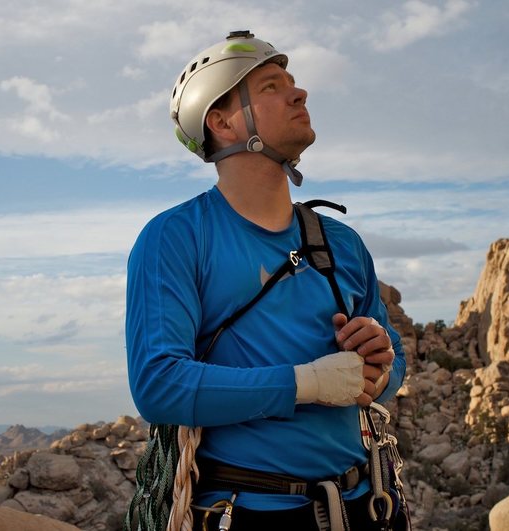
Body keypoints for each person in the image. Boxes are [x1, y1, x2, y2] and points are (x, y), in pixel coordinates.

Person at [125, 31, 407, 530]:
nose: (299, 94)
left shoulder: (341, 242)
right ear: (223, 122)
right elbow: (159, 384)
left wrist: (380, 370)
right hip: (248, 512)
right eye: (272, 86)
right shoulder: (176, 237)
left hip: (365, 505)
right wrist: (308, 383)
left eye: (292, 83)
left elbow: (394, 364)